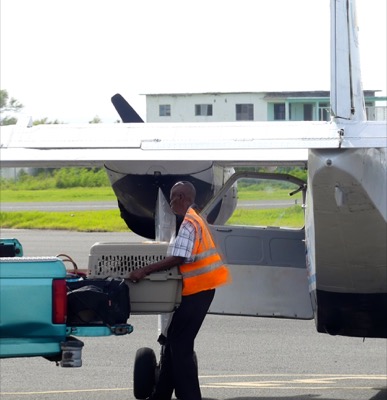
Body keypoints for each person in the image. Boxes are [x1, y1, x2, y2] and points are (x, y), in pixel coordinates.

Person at [129, 181, 231, 400]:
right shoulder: (195, 218)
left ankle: (190, 396)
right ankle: (161, 394)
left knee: (181, 348)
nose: (171, 202)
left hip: (198, 292)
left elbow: (180, 257)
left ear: (182, 197)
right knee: (172, 343)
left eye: (173, 197)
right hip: (200, 291)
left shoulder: (189, 223)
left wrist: (144, 271)